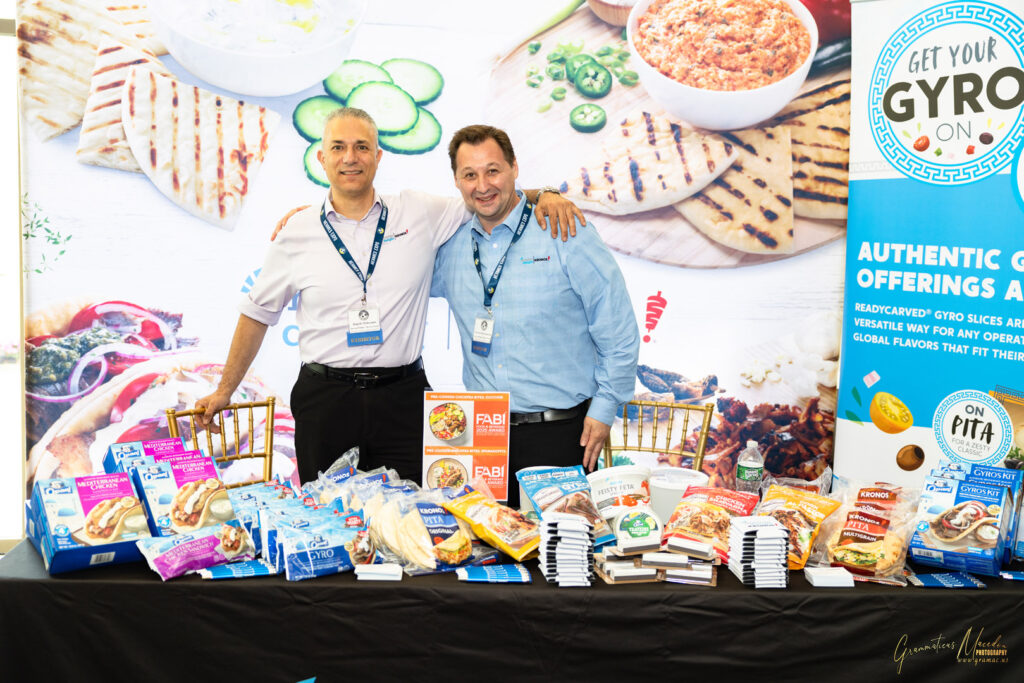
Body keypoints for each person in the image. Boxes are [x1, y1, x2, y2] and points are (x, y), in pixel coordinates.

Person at [194, 108, 584, 484]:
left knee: (411, 512)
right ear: (322, 158)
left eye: (362, 147)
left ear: (378, 156)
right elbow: (257, 313)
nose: (350, 157)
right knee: (325, 513)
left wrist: (546, 194)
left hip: (404, 399)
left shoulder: (418, 212)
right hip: (326, 400)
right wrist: (224, 390)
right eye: (338, 147)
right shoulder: (298, 231)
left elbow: (487, 196)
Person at [432, 125, 640, 507]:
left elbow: (617, 326)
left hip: (560, 433)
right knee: (485, 542)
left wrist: (605, 408)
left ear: (514, 168)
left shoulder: (564, 231)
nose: (483, 185)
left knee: (563, 544)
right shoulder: (449, 246)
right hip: (482, 439)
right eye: (470, 174)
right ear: (457, 181)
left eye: (493, 170)